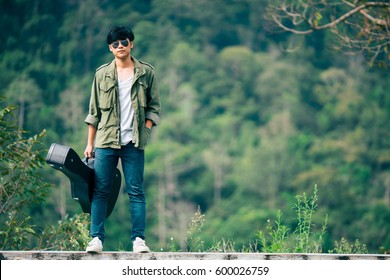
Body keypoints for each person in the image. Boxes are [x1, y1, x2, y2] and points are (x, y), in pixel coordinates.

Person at [83, 25, 160, 253]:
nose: (120, 47)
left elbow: (154, 108)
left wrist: (145, 129)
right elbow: (93, 112)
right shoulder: (101, 74)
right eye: (115, 44)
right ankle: (96, 239)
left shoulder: (146, 72)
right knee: (100, 190)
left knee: (136, 190)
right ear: (110, 48)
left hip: (134, 142)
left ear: (131, 43)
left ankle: (139, 240)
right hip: (106, 142)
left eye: (124, 42)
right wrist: (89, 143)